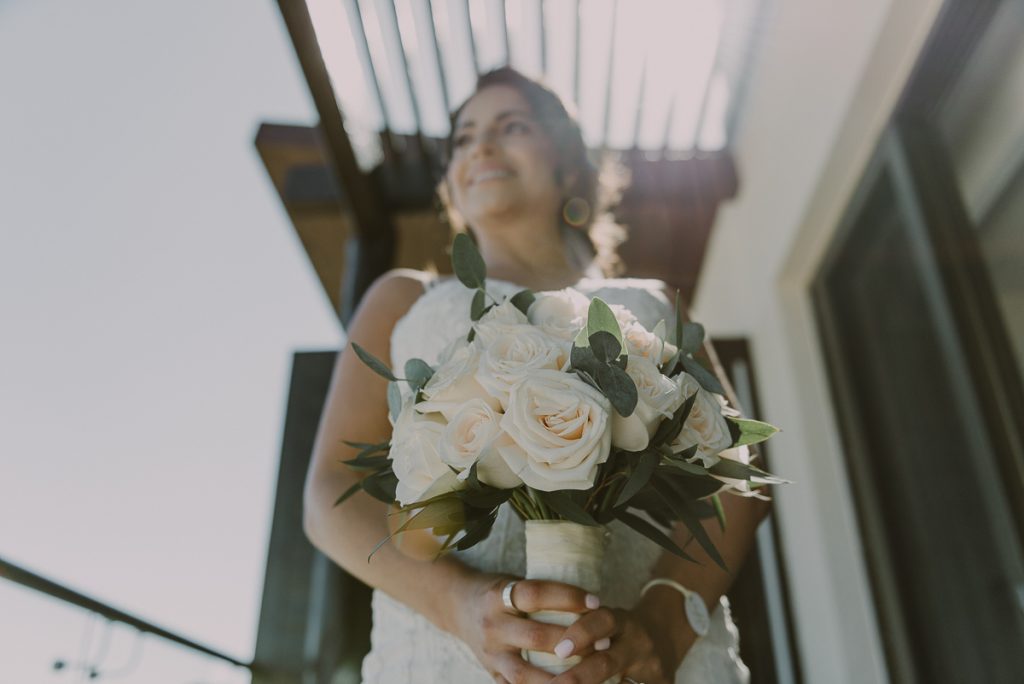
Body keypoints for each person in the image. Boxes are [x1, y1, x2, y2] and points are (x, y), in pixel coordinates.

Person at [303, 67, 771, 683]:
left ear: (569, 165)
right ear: (450, 184)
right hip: (448, 652)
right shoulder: (401, 300)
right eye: (463, 138)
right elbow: (329, 494)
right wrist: (461, 605)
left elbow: (736, 485)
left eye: (512, 126)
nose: (482, 147)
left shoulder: (651, 304)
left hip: (642, 657)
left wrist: (662, 626)